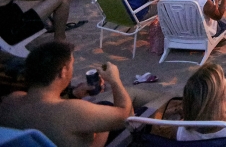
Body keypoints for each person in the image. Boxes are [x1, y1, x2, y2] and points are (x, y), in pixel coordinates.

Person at [0, 42, 133, 147]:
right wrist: (115, 80)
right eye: (72, 64)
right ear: (63, 71)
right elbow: (125, 116)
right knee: (130, 108)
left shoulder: (11, 100)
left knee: (104, 106)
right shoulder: (72, 110)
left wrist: (74, 94)